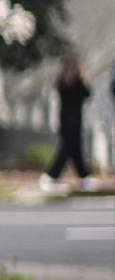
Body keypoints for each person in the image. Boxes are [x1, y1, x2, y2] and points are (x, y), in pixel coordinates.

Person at [43, 50, 94, 188]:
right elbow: (88, 93)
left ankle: (84, 177)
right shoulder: (78, 80)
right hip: (75, 120)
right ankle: (53, 175)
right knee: (67, 149)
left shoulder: (61, 80)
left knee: (73, 149)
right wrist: (84, 75)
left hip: (64, 119)